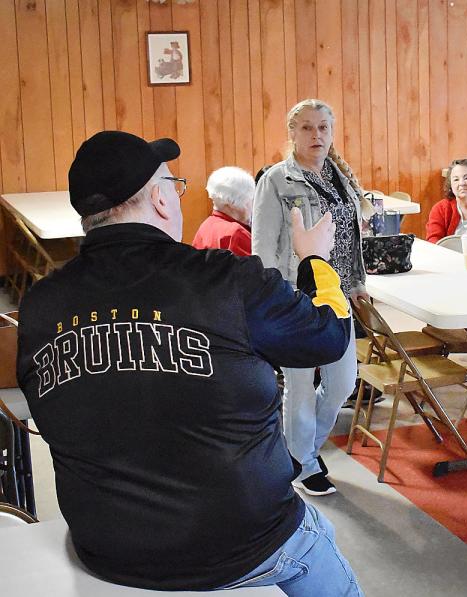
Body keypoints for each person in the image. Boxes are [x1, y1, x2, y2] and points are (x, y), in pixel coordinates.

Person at [15, 131, 362, 596]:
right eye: (174, 185)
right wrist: (315, 259)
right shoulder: (226, 279)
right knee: (319, 543)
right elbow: (329, 336)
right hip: (247, 543)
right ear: (160, 199)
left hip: (107, 549)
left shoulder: (39, 304)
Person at [253, 99, 374, 497]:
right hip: (297, 297)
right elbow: (263, 248)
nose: (316, 135)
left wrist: (357, 285)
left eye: (323, 127)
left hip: (336, 296)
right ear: (291, 133)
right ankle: (303, 463)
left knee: (342, 383)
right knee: (300, 386)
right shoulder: (276, 180)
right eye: (306, 128)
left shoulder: (339, 177)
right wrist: (277, 299)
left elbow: (349, 239)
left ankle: (304, 450)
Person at [191, 166, 255, 255]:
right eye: (251, 199)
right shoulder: (236, 233)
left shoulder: (207, 225)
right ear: (233, 202)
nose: (253, 205)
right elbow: (257, 267)